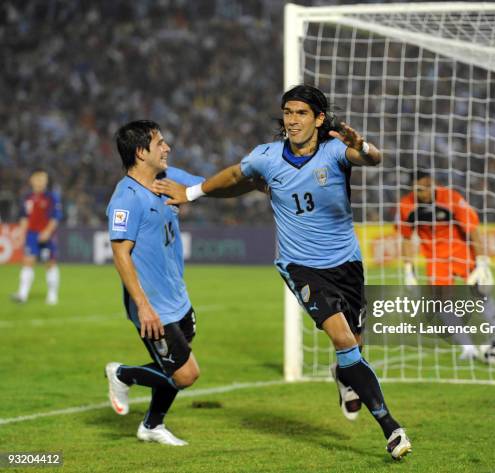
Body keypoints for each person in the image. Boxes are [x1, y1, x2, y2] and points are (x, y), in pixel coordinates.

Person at [152, 85, 412, 460]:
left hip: (347, 263)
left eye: (301, 113)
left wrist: (365, 145)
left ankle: (345, 376)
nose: (292, 120)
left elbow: (371, 157)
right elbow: (234, 177)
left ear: (319, 119)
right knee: (343, 340)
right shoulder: (268, 157)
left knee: (354, 342)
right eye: (288, 112)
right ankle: (391, 429)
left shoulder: (336, 150)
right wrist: (192, 193)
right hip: (301, 265)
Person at [105, 120, 223, 446]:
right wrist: (143, 306)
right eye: (160, 143)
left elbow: (209, 186)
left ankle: (152, 425)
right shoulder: (126, 198)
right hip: (152, 303)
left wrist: (260, 178)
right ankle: (121, 374)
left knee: (173, 360)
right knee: (186, 373)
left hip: (177, 295)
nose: (167, 147)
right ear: (141, 152)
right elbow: (121, 254)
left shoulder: (167, 178)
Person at [397, 169, 495, 361]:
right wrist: (409, 271)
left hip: (460, 252)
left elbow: (472, 230)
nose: (424, 193)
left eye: (427, 187)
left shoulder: (451, 198)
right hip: (435, 259)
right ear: (413, 189)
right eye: (419, 190)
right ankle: (468, 348)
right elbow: (406, 238)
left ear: (433, 183)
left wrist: (482, 262)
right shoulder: (406, 206)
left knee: (481, 293)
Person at [12, 170, 62, 305]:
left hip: (47, 235)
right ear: (31, 180)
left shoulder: (52, 197)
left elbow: (55, 218)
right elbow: (24, 217)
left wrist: (46, 232)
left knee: (50, 263)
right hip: (31, 235)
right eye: (37, 178)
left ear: (46, 181)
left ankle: (52, 295)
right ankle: (22, 294)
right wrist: (23, 232)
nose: (40, 181)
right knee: (28, 262)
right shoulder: (27, 198)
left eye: (42, 179)